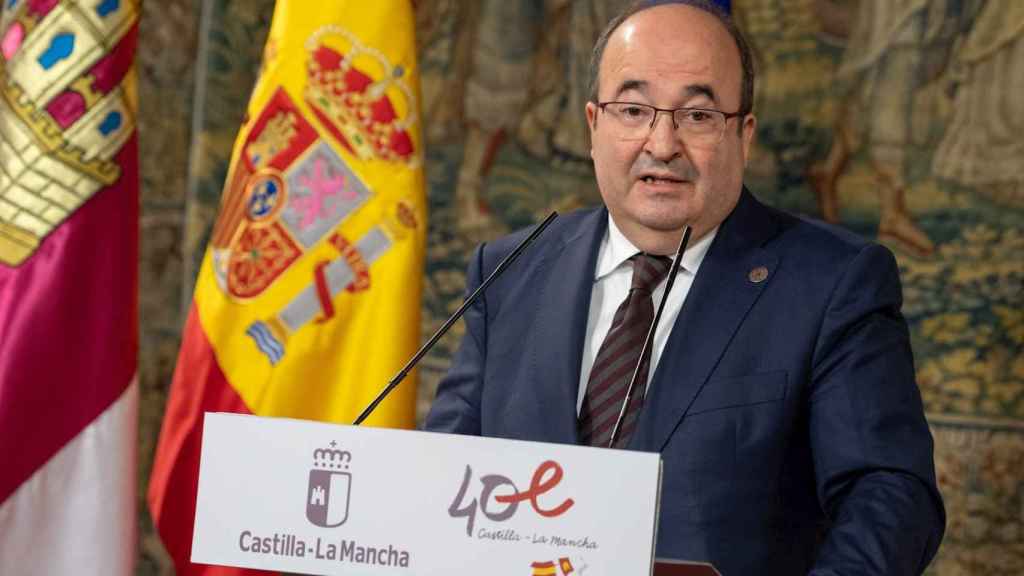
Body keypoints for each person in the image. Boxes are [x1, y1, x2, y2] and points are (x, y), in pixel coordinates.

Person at [425, 1, 946, 574]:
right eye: (633, 110)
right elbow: (442, 478)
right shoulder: (510, 270)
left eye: (697, 116)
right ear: (594, 125)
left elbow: (890, 497)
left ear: (744, 136)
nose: (662, 143)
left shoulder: (833, 284)